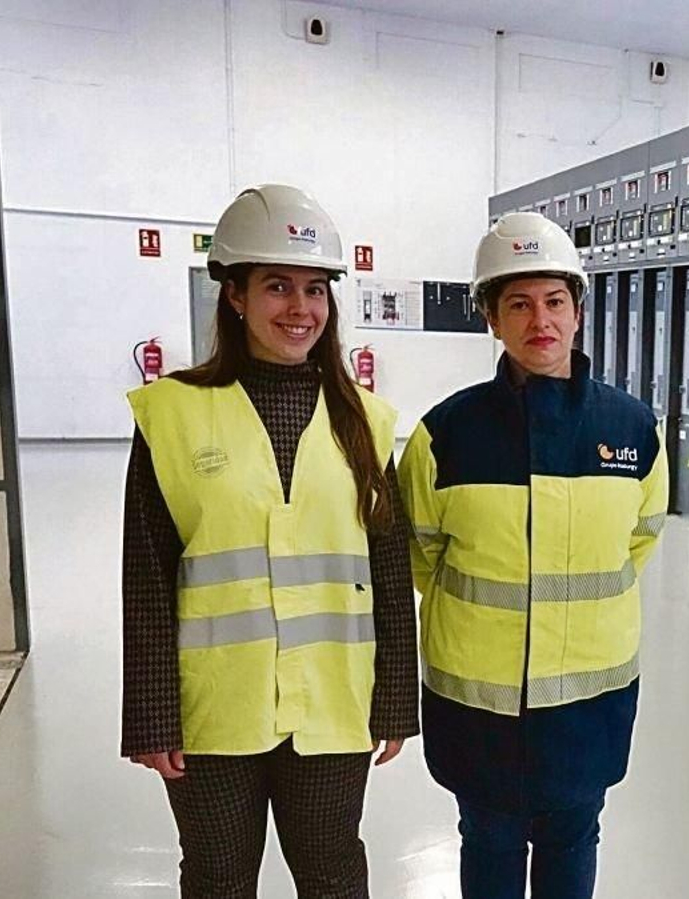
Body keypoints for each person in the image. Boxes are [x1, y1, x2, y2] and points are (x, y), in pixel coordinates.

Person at [122, 184, 418, 898]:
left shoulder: (365, 420)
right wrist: (152, 715)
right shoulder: (173, 414)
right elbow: (146, 575)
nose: (300, 308)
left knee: (333, 875)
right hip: (214, 708)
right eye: (278, 285)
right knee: (218, 879)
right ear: (235, 294)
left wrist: (396, 700)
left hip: (333, 703)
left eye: (315, 289)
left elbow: (388, 569)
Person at [399, 212, 668, 899]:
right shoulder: (445, 435)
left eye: (554, 301)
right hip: (480, 704)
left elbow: (640, 537)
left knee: (572, 839)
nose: (540, 320)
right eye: (518, 303)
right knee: (487, 838)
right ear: (491, 318)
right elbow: (420, 553)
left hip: (586, 704)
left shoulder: (633, 429)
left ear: (578, 312)